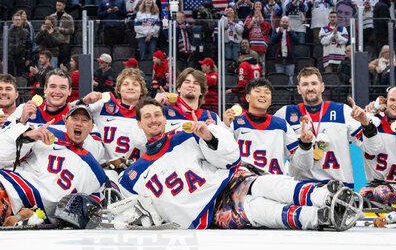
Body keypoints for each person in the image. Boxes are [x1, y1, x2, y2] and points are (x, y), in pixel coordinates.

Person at [119, 97, 361, 231]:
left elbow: (230, 157)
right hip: (210, 213)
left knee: (269, 185)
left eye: (157, 115)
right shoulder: (131, 177)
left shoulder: (185, 136)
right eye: (147, 116)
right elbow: (138, 214)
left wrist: (209, 137)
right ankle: (320, 217)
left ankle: (324, 196)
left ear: (164, 117)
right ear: (139, 123)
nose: (153, 120)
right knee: (262, 212)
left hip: (227, 182)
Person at [0, 104, 107, 228]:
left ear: (91, 127)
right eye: (74, 118)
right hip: (12, 185)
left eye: (84, 120)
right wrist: (27, 136)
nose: (79, 123)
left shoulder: (95, 171)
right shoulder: (45, 133)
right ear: (65, 121)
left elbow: (94, 211)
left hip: (37, 211)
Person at [223, 78, 297, 175]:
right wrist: (225, 127)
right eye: (257, 91)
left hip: (275, 183)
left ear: (270, 100)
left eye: (267, 92)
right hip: (245, 183)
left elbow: (297, 160)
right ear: (247, 97)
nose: (262, 95)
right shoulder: (233, 122)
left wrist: (305, 145)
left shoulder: (282, 125)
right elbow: (223, 154)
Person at [79, 67, 148, 165]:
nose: (130, 87)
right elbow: (73, 112)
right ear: (119, 89)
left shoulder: (149, 112)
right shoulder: (103, 104)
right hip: (105, 169)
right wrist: (83, 101)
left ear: (141, 91)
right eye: (126, 84)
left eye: (135, 84)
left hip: (135, 170)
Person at [155, 67, 220, 129]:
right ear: (179, 88)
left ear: (201, 91)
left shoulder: (212, 118)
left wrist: (213, 132)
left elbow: (223, 140)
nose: (191, 85)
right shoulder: (163, 112)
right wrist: (155, 104)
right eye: (187, 82)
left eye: (196, 83)